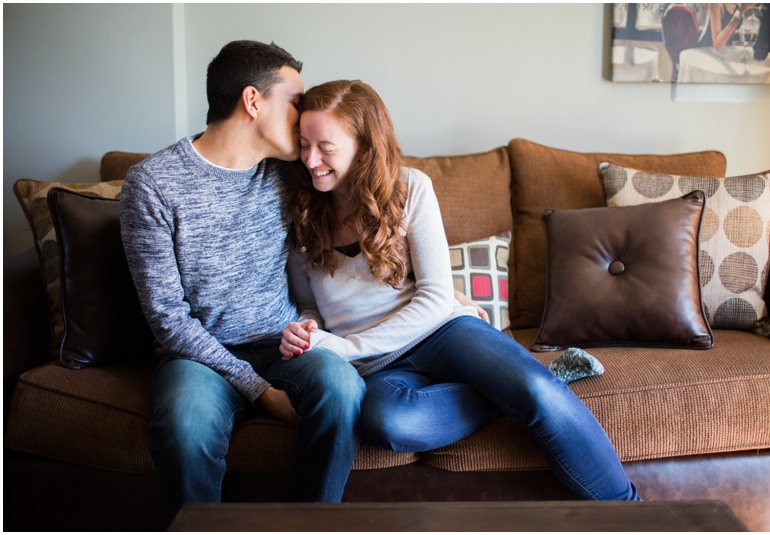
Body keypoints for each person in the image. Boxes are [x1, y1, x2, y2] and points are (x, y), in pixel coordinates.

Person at [281, 80, 640, 501]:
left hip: (443, 332)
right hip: (378, 364)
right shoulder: (300, 212)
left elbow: (436, 298)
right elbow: (310, 304)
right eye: (304, 144)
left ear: (364, 146)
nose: (310, 159)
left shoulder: (410, 188)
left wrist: (346, 347)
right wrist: (308, 332)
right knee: (388, 423)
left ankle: (632, 516)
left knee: (539, 394)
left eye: (325, 146)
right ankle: (509, 389)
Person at [120, 41, 366, 522]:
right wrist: (260, 391)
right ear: (253, 101)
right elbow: (168, 320)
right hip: (198, 356)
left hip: (284, 341)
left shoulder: (290, 171)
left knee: (344, 389)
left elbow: (370, 219)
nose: (304, 115)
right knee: (184, 426)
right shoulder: (151, 185)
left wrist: (439, 289)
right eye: (295, 100)